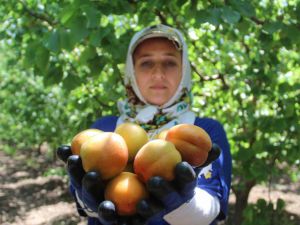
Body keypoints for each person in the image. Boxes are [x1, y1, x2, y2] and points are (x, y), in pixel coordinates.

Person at [59, 24, 232, 225]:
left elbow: (212, 206)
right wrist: (88, 202)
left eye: (169, 62)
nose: (158, 74)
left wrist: (183, 205)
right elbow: (85, 204)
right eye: (146, 63)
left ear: (184, 69)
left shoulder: (206, 131)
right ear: (131, 71)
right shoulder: (104, 129)